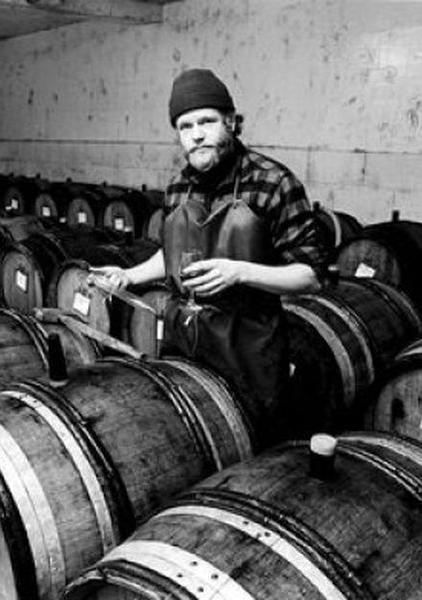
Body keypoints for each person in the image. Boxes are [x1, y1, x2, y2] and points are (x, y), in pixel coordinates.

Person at [91, 68, 327, 447]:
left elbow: (309, 275)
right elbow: (169, 256)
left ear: (231, 122)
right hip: (184, 341)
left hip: (248, 350)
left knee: (252, 449)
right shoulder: (177, 186)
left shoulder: (274, 182)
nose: (196, 134)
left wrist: (239, 272)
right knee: (189, 444)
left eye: (207, 121)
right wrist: (128, 276)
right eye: (185, 126)